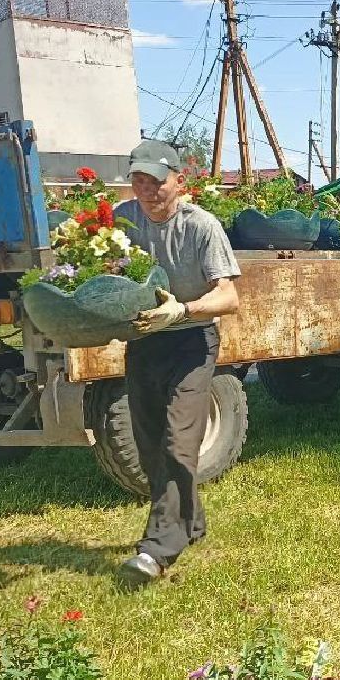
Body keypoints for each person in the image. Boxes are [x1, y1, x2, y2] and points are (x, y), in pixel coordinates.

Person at [115, 140, 241, 584]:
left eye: (156, 181)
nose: (147, 191)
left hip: (192, 343)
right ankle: (192, 522)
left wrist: (183, 310)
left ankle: (157, 548)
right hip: (145, 341)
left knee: (178, 441)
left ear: (179, 181)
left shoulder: (201, 226)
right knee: (150, 445)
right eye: (139, 181)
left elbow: (229, 296)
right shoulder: (122, 221)